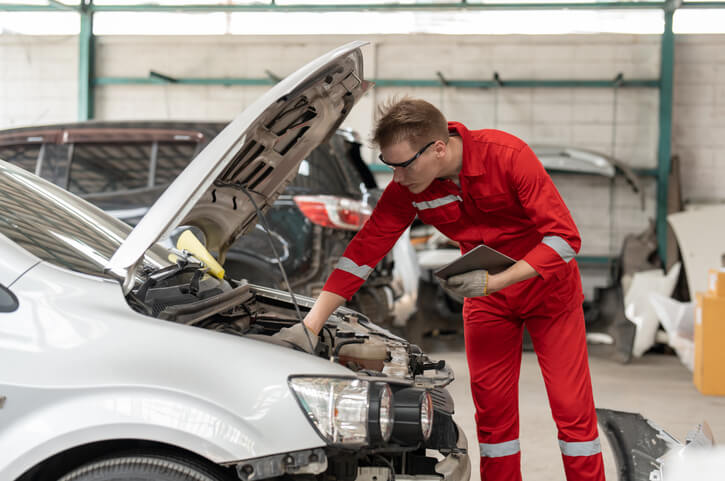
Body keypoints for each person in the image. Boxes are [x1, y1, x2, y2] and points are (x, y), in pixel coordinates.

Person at [275, 97, 605, 481]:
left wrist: (499, 280)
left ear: (439, 149)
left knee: (572, 412)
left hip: (549, 292)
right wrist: (312, 324)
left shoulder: (508, 156)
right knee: (494, 418)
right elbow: (364, 251)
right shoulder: (411, 185)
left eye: (403, 165)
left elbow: (565, 238)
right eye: (389, 165)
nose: (396, 178)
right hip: (486, 303)